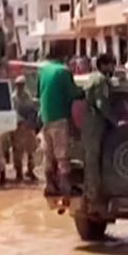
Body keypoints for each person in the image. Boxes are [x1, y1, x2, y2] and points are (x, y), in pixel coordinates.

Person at [37, 45, 82, 201]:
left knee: (48, 155)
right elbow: (73, 93)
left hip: (45, 118)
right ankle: (66, 188)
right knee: (62, 155)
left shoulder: (43, 71)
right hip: (59, 118)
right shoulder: (64, 71)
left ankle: (49, 186)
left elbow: (38, 93)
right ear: (64, 57)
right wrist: (84, 91)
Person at [82, 54, 118, 212]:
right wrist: (115, 121)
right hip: (96, 124)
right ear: (104, 65)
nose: (113, 68)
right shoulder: (102, 80)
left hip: (89, 124)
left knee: (92, 161)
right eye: (112, 65)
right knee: (93, 162)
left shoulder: (91, 78)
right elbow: (101, 103)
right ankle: (93, 198)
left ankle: (91, 195)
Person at [11, 75, 38, 182]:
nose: (20, 87)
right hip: (18, 128)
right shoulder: (13, 98)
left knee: (31, 150)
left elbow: (32, 110)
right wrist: (21, 121)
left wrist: (30, 122)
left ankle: (30, 170)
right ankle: (18, 173)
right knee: (18, 152)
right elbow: (13, 113)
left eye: (22, 85)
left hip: (28, 127)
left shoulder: (28, 96)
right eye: (19, 85)